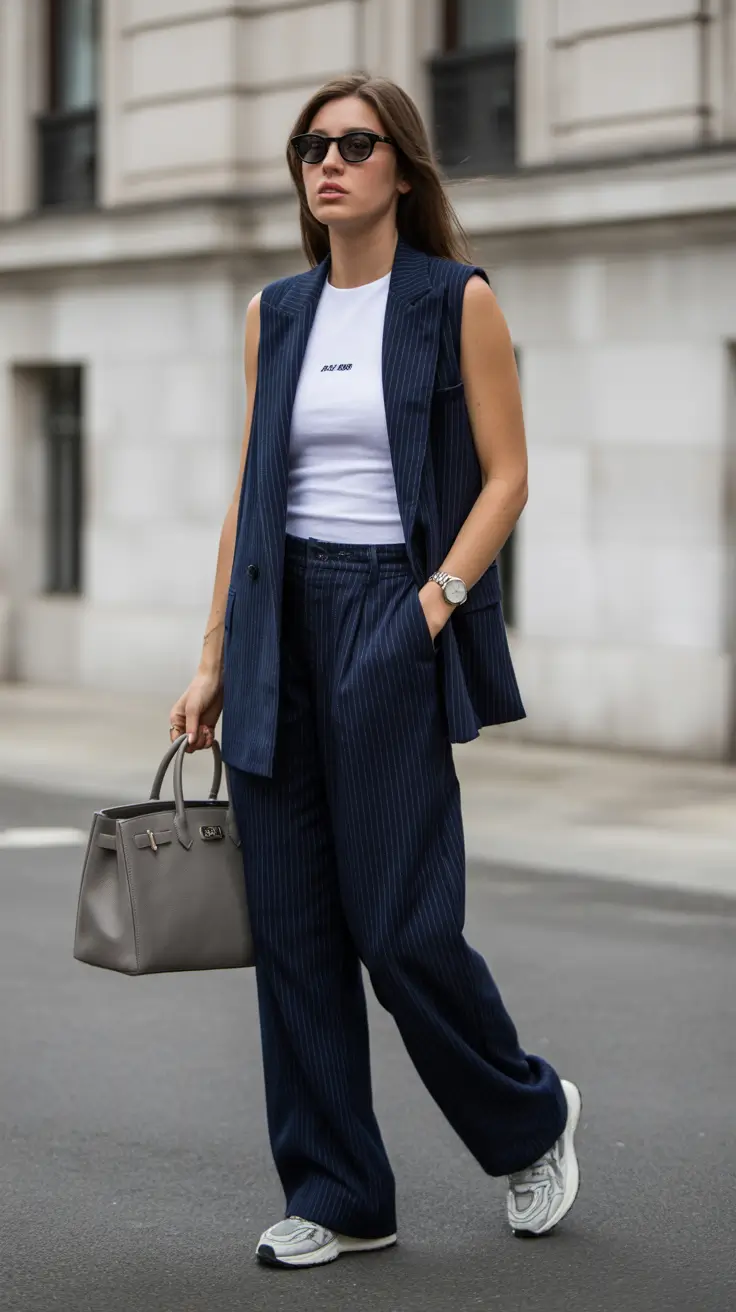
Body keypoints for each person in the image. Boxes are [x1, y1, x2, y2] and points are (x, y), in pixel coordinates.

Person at [169, 74, 582, 1270]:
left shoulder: (456, 300)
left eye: (354, 144)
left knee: (401, 924)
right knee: (294, 926)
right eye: (312, 146)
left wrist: (431, 605)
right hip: (275, 620)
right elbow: (252, 491)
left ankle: (528, 1117)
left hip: (387, 612)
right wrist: (213, 653)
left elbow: (507, 475)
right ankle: (342, 1192)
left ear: (402, 167)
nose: (329, 163)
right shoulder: (277, 312)